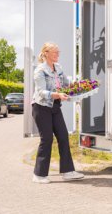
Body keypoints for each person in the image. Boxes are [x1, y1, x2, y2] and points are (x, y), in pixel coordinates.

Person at [32, 42, 84, 184]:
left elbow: (67, 84)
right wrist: (58, 95)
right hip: (41, 107)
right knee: (47, 139)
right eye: (55, 52)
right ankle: (39, 174)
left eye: (58, 52)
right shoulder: (40, 70)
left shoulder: (58, 68)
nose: (57, 54)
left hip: (55, 107)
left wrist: (81, 86)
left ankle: (67, 171)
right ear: (46, 53)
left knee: (63, 136)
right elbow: (41, 92)